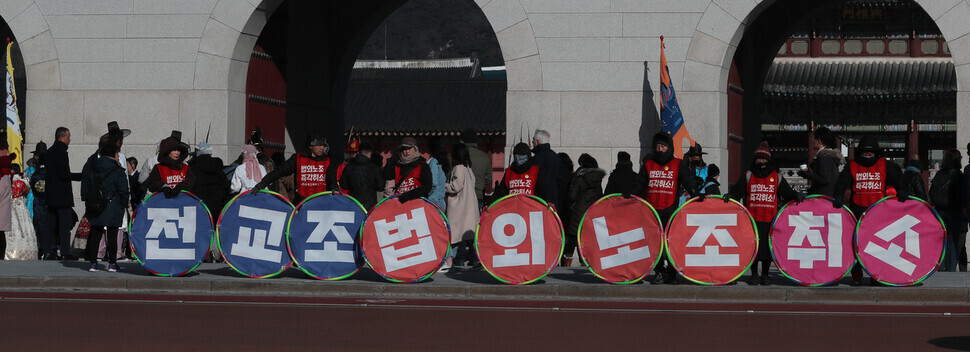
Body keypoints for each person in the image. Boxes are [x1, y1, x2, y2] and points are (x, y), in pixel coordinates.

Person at [725, 142, 802, 285]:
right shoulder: (748, 175)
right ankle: (754, 275)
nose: (761, 162)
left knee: (767, 250)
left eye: (764, 159)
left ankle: (765, 274)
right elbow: (737, 191)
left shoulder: (776, 177)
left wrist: (796, 195)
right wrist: (729, 196)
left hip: (769, 219)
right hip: (751, 220)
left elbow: (786, 192)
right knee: (752, 248)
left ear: (769, 160)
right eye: (759, 159)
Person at [833, 136, 905, 284]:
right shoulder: (851, 166)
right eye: (864, 154)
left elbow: (898, 179)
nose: (867, 156)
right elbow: (842, 182)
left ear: (876, 153)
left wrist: (902, 190)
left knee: (878, 246)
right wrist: (838, 195)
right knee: (857, 244)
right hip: (858, 210)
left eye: (870, 153)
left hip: (879, 213)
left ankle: (875, 274)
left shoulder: (886, 165)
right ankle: (857, 273)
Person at [641, 132, 699, 284]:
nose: (660, 149)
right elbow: (640, 183)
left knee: (672, 244)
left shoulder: (678, 164)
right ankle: (659, 272)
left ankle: (672, 274)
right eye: (658, 146)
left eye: (663, 146)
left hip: (670, 211)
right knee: (655, 245)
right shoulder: (648, 163)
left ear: (669, 148)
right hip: (652, 212)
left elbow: (688, 181)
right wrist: (630, 193)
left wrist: (695, 194)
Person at [82, 142, 128, 272]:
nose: (119, 157)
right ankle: (112, 263)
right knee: (112, 235)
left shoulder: (94, 168)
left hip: (96, 205)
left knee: (96, 234)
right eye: (117, 154)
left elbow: (87, 185)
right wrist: (125, 203)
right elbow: (123, 190)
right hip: (114, 206)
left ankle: (93, 263)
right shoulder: (118, 171)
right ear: (113, 154)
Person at [254, 133, 335, 204]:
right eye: (319, 145)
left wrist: (334, 188)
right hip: (302, 204)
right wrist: (263, 183)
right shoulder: (298, 159)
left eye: (323, 145)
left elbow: (331, 179)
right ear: (311, 145)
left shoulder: (327, 161)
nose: (322, 148)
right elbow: (279, 172)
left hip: (321, 203)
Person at [44, 127, 83, 260]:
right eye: (68, 137)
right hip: (62, 196)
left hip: (51, 195)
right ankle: (65, 251)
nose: (69, 140)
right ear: (61, 137)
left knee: (52, 225)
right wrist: (81, 176)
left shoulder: (49, 152)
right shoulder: (61, 152)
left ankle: (50, 251)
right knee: (64, 225)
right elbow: (63, 174)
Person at [564, 154, 605, 267]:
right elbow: (599, 196)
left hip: (577, 211)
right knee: (585, 241)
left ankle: (566, 266)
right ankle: (584, 265)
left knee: (572, 240)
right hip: (590, 213)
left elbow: (572, 195)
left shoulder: (579, 175)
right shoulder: (597, 178)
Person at [443, 143, 477, 271]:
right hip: (469, 205)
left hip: (459, 207)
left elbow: (455, 187)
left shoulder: (458, 168)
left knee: (458, 235)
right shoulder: (468, 168)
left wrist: (444, 185)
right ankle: (475, 259)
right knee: (468, 236)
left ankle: (459, 259)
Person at [931, 149, 966, 272]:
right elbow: (962, 194)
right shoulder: (958, 175)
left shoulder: (939, 174)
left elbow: (932, 192)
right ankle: (951, 269)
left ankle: (940, 268)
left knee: (941, 240)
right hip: (954, 211)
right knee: (952, 242)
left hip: (940, 211)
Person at [382, 137, 432, 202]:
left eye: (409, 148)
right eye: (404, 149)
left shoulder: (422, 165)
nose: (407, 151)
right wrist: (390, 162)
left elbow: (427, 186)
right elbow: (386, 177)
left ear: (415, 149)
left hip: (417, 202)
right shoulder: (397, 164)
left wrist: (409, 195)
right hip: (398, 202)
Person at [798, 126, 844, 197]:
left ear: (818, 141)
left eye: (814, 138)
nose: (812, 140)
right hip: (829, 195)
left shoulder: (824, 157)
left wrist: (806, 174)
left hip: (822, 197)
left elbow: (824, 179)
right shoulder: (830, 156)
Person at [339, 143, 384, 211]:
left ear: (359, 152)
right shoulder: (374, 167)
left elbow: (343, 185)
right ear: (370, 153)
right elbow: (380, 187)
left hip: (353, 202)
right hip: (370, 204)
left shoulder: (349, 166)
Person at [189, 142, 230, 216]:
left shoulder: (193, 166)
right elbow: (225, 185)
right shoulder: (217, 166)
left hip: (199, 203)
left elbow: (190, 184)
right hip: (217, 203)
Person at [6, 164, 36, 260]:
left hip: (7, 208)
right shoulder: (21, 182)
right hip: (19, 207)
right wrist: (26, 179)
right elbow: (26, 191)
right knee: (23, 228)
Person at [531, 130, 563, 209]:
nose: (532, 143)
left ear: (537, 142)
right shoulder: (556, 157)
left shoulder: (536, 158)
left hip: (539, 199)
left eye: (533, 141)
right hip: (554, 199)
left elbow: (534, 178)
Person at [461, 129, 492, 209]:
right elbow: (488, 178)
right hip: (478, 194)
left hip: (461, 196)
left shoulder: (458, 156)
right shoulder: (484, 156)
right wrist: (480, 185)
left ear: (462, 140)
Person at [29, 144, 49, 259]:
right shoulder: (51, 173)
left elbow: (31, 186)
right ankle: (49, 249)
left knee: (38, 227)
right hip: (49, 203)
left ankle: (40, 249)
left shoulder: (34, 174)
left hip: (37, 203)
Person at [426, 136, 450, 211]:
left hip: (433, 201)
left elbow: (433, 182)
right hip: (441, 200)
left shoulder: (433, 162)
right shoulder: (442, 162)